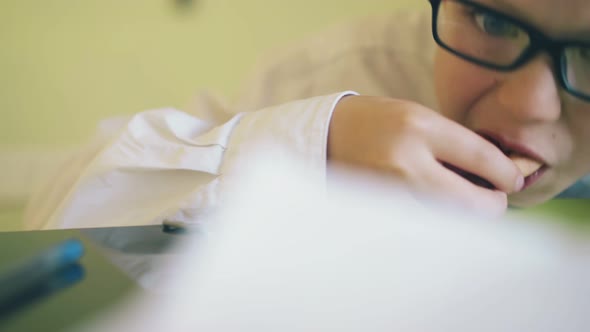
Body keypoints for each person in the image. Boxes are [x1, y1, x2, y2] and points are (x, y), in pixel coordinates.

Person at [25, 0, 590, 232]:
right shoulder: (356, 69)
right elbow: (57, 209)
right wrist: (308, 145)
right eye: (492, 21)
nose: (528, 105)